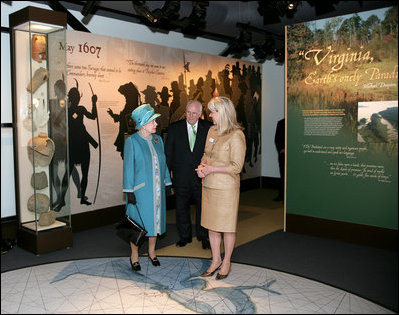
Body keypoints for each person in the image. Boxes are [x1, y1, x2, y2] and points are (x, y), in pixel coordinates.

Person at [195, 96, 246, 280]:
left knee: (227, 228)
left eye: (213, 111)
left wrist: (212, 169)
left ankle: (227, 262)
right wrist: (202, 167)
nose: (210, 115)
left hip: (226, 189)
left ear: (222, 113)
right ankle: (215, 260)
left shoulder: (237, 134)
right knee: (212, 227)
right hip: (209, 185)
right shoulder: (212, 131)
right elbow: (206, 154)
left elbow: (236, 166)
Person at [123, 104, 172, 271]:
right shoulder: (132, 141)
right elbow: (128, 167)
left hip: (157, 191)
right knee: (137, 223)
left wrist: (167, 182)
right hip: (140, 192)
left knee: (154, 222)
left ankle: (152, 252)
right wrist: (129, 191)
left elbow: (164, 162)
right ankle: (134, 255)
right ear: (143, 124)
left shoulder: (158, 140)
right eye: (153, 121)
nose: (156, 124)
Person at [165, 100, 213, 249]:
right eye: (188, 112)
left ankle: (203, 236)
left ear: (200, 114)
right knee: (181, 208)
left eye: (194, 113)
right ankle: (184, 236)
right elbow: (168, 154)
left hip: (202, 177)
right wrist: (168, 176)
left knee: (203, 208)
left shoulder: (209, 128)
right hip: (181, 177)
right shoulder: (174, 128)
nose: (190, 116)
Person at [274, 118, 285, 201]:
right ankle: (281, 195)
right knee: (283, 175)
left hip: (295, 154)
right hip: (283, 155)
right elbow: (277, 139)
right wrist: (281, 149)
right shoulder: (281, 123)